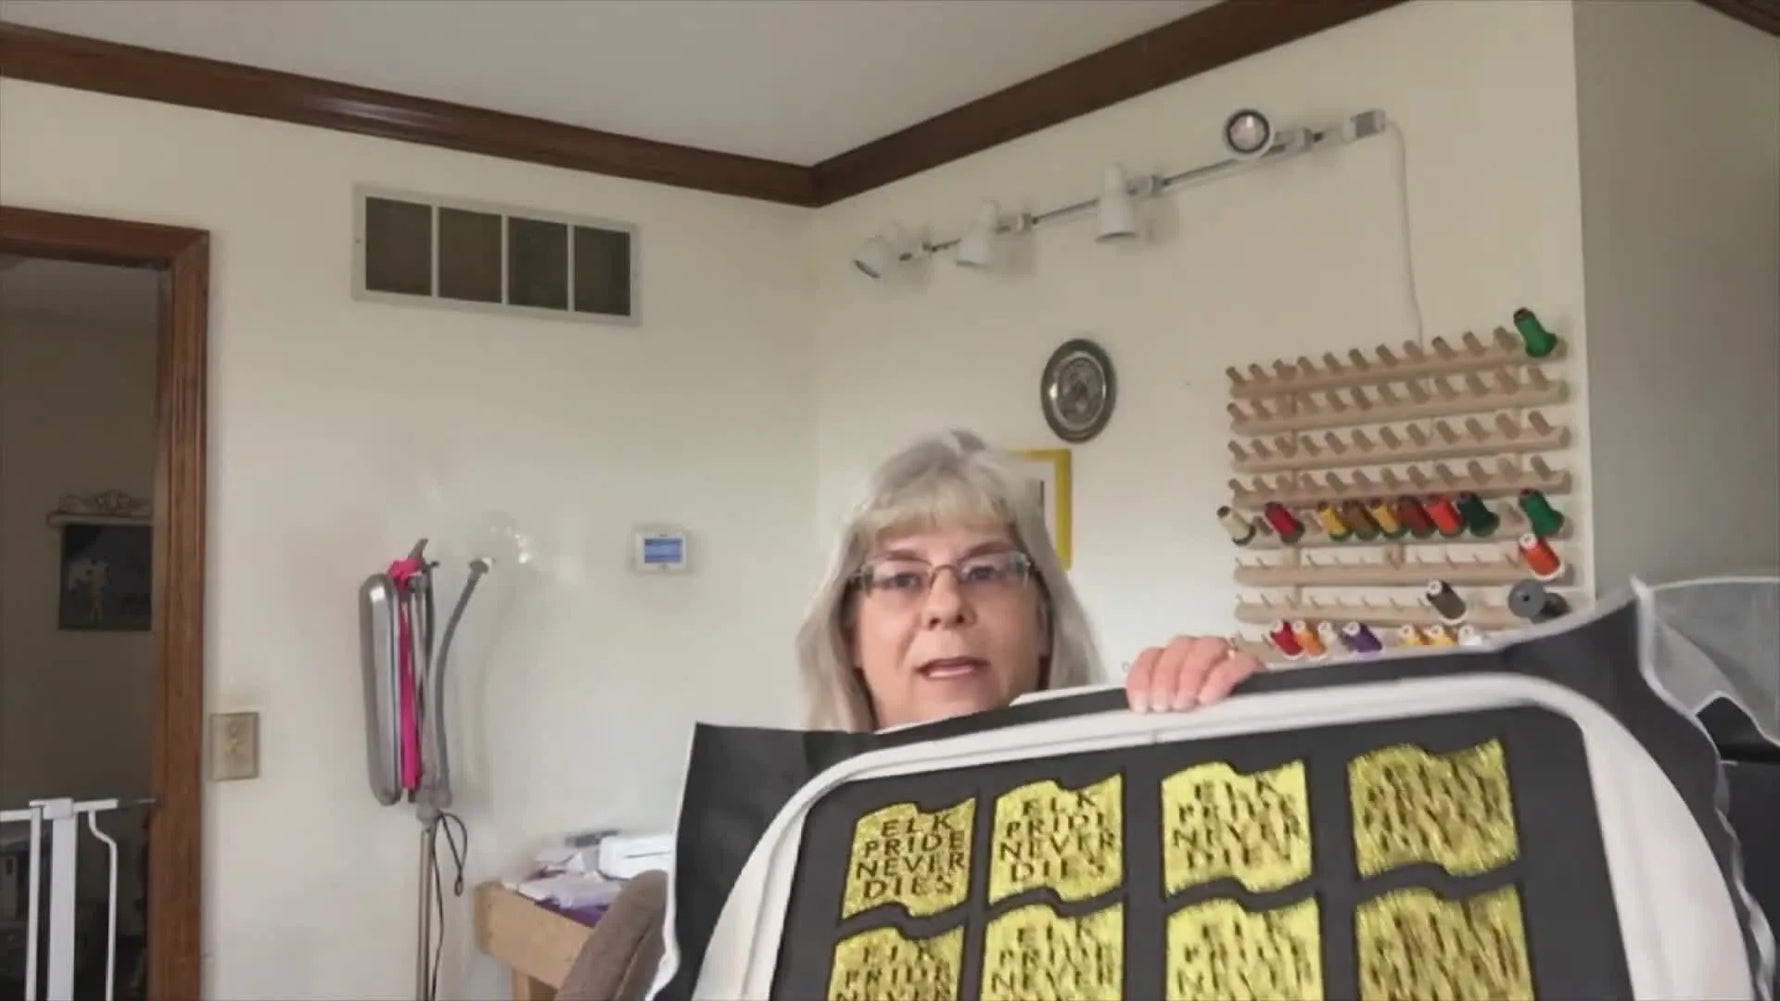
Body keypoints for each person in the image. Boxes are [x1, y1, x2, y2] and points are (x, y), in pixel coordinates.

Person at [795, 429, 1261, 732]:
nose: (946, 606)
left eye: (985, 571)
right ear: (848, 634)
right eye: (901, 579)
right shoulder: (781, 831)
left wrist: (1236, 722)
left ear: (1043, 620)